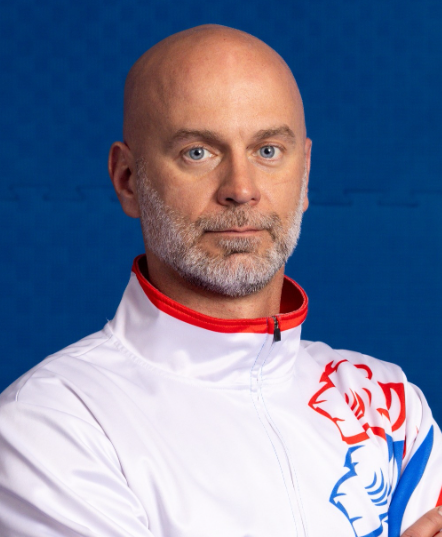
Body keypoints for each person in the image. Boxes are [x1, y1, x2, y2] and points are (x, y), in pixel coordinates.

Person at [0, 24, 440, 537]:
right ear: (128, 180)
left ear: (304, 175)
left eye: (268, 150)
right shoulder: (51, 423)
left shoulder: (387, 403)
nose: (241, 189)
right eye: (198, 152)